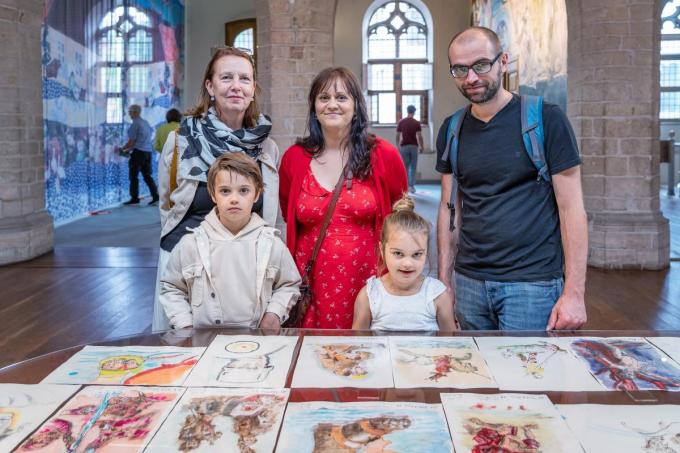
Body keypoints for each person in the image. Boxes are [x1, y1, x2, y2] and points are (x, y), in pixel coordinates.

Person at [436, 26, 588, 331]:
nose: (472, 78)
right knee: (474, 375)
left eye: (481, 65)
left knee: (527, 376)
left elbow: (572, 209)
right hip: (469, 283)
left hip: (531, 285)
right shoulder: (452, 129)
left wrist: (574, 293)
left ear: (503, 61)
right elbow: (449, 209)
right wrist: (444, 284)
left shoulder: (546, 118)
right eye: (460, 69)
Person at [154, 46, 281, 331]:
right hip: (187, 268)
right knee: (184, 354)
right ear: (210, 86)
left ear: (253, 89)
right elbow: (167, 204)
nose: (236, 86)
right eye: (226, 78)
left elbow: (271, 211)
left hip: (244, 269)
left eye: (244, 79)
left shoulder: (267, 149)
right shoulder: (180, 142)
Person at [279, 67, 407, 329]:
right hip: (311, 282)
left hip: (367, 279)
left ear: (356, 106)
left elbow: (400, 215)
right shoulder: (294, 158)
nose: (332, 105)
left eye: (342, 97)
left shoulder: (384, 155)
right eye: (323, 98)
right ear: (314, 107)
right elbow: (287, 212)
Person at [160, 153, 300, 329]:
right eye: (225, 191)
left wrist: (274, 314)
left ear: (256, 194)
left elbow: (289, 284)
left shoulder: (272, 244)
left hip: (257, 342)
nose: (234, 198)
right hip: (203, 342)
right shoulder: (190, 244)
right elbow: (172, 288)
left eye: (244, 190)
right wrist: (185, 326)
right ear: (213, 194)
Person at [352, 195, 456, 331]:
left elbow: (452, 343)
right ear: (382, 251)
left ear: (426, 252)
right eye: (398, 253)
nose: (407, 263)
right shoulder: (370, 295)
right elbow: (358, 344)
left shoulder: (437, 295)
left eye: (416, 254)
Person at [118, 104, 159, 205]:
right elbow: (141, 140)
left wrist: (122, 149)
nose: (129, 114)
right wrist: (129, 149)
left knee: (133, 176)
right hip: (147, 152)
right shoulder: (145, 123)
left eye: (130, 112)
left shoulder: (135, 124)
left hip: (138, 153)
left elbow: (132, 142)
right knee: (147, 176)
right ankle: (155, 196)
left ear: (135, 112)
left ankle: (134, 198)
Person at [396, 105, 424, 194]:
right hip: (414, 147)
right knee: (413, 167)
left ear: (407, 111)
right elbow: (419, 136)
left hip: (404, 146)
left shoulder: (401, 122)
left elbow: (397, 135)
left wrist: (398, 146)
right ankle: (411, 186)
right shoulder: (416, 122)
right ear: (414, 112)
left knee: (405, 167)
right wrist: (422, 147)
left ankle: (405, 186)